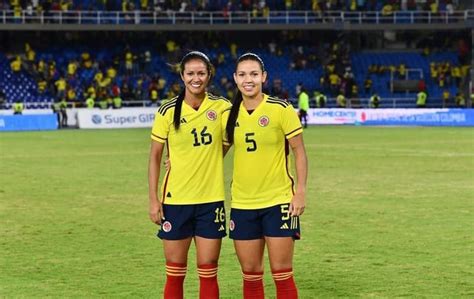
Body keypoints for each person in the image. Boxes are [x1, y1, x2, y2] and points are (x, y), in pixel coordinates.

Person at [148, 51, 231, 299]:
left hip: (210, 201)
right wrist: (153, 200)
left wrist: (208, 157)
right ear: (182, 76)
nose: (196, 78)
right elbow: (154, 157)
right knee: (175, 272)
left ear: (209, 75)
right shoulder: (167, 111)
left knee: (208, 271)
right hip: (175, 201)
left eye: (201, 73)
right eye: (191, 73)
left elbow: (227, 142)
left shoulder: (222, 107)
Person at [225, 53, 308, 299]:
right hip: (242, 203)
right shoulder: (229, 114)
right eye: (242, 74)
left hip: (279, 200)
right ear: (235, 79)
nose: (247, 79)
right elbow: (215, 151)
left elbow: (299, 152)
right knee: (250, 273)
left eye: (253, 74)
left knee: (282, 272)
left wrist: (300, 191)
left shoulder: (281, 109)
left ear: (263, 77)